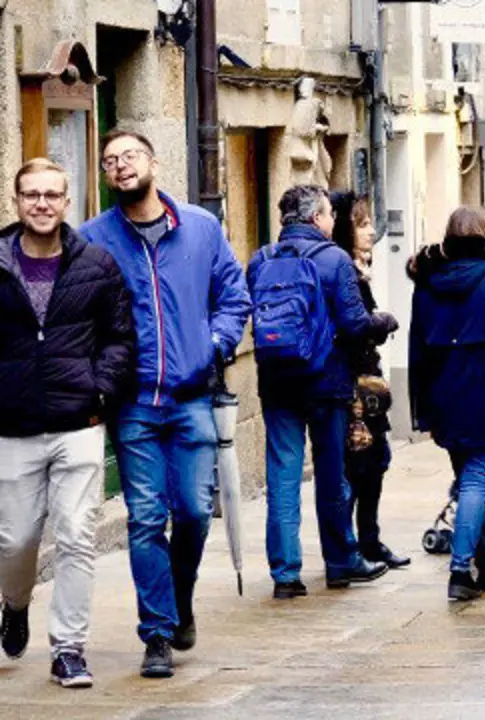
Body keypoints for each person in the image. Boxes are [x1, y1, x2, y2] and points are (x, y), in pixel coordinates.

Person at [82, 129, 251, 679]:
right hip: (133, 405)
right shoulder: (92, 240)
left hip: (190, 397)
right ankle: (156, 632)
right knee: (147, 519)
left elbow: (233, 294)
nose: (121, 166)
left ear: (153, 162)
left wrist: (217, 343)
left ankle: (180, 598)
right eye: (110, 161)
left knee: (196, 513)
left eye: (130, 156)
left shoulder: (200, 229)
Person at [0, 159, 134, 688]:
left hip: (79, 420)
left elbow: (121, 337)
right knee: (15, 539)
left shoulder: (95, 265)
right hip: (11, 426)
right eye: (31, 194)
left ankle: (69, 648)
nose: (42, 203)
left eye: (52, 194)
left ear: (67, 199)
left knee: (78, 535)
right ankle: (14, 602)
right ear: (16, 201)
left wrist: (100, 385)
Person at [249, 186, 398, 602]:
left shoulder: (261, 260)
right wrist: (382, 321)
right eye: (330, 214)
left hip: (277, 381)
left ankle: (285, 572)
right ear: (316, 218)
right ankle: (339, 562)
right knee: (332, 474)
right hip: (326, 382)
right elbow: (354, 324)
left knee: (282, 475)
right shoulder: (334, 259)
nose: (334, 220)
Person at [408, 207, 485, 600]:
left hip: (444, 393)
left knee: (469, 481)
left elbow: (416, 350)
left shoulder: (427, 285)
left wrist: (421, 409)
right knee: (478, 480)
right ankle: (460, 570)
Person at [330, 191, 409, 569]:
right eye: (362, 224)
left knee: (371, 464)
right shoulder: (344, 270)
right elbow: (356, 326)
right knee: (362, 465)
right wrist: (383, 321)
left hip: (360, 379)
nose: (371, 231)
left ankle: (367, 541)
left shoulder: (354, 269)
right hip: (354, 382)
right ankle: (355, 547)